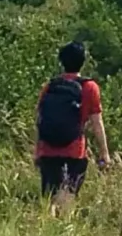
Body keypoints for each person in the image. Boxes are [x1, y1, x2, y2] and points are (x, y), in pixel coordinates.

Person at [35, 39, 111, 211]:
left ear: (62, 62)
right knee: (67, 197)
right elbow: (97, 123)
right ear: (83, 62)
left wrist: (37, 150)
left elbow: (39, 119)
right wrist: (104, 154)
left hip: (47, 150)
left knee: (49, 199)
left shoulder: (50, 86)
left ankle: (46, 228)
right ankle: (60, 231)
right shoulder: (90, 87)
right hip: (74, 151)